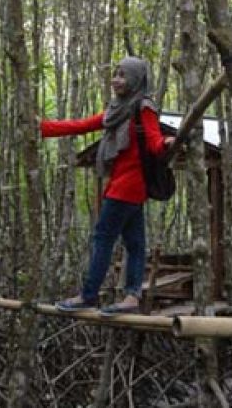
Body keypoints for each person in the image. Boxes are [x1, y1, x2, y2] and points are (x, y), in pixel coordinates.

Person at [40, 56, 173, 315]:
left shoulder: (143, 107)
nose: (116, 80)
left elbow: (154, 140)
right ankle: (132, 297)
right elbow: (82, 125)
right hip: (124, 187)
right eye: (115, 74)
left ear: (135, 79)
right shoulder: (117, 110)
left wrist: (167, 143)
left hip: (129, 187)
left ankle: (88, 295)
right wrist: (43, 127)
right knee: (135, 244)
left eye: (123, 75)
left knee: (103, 238)